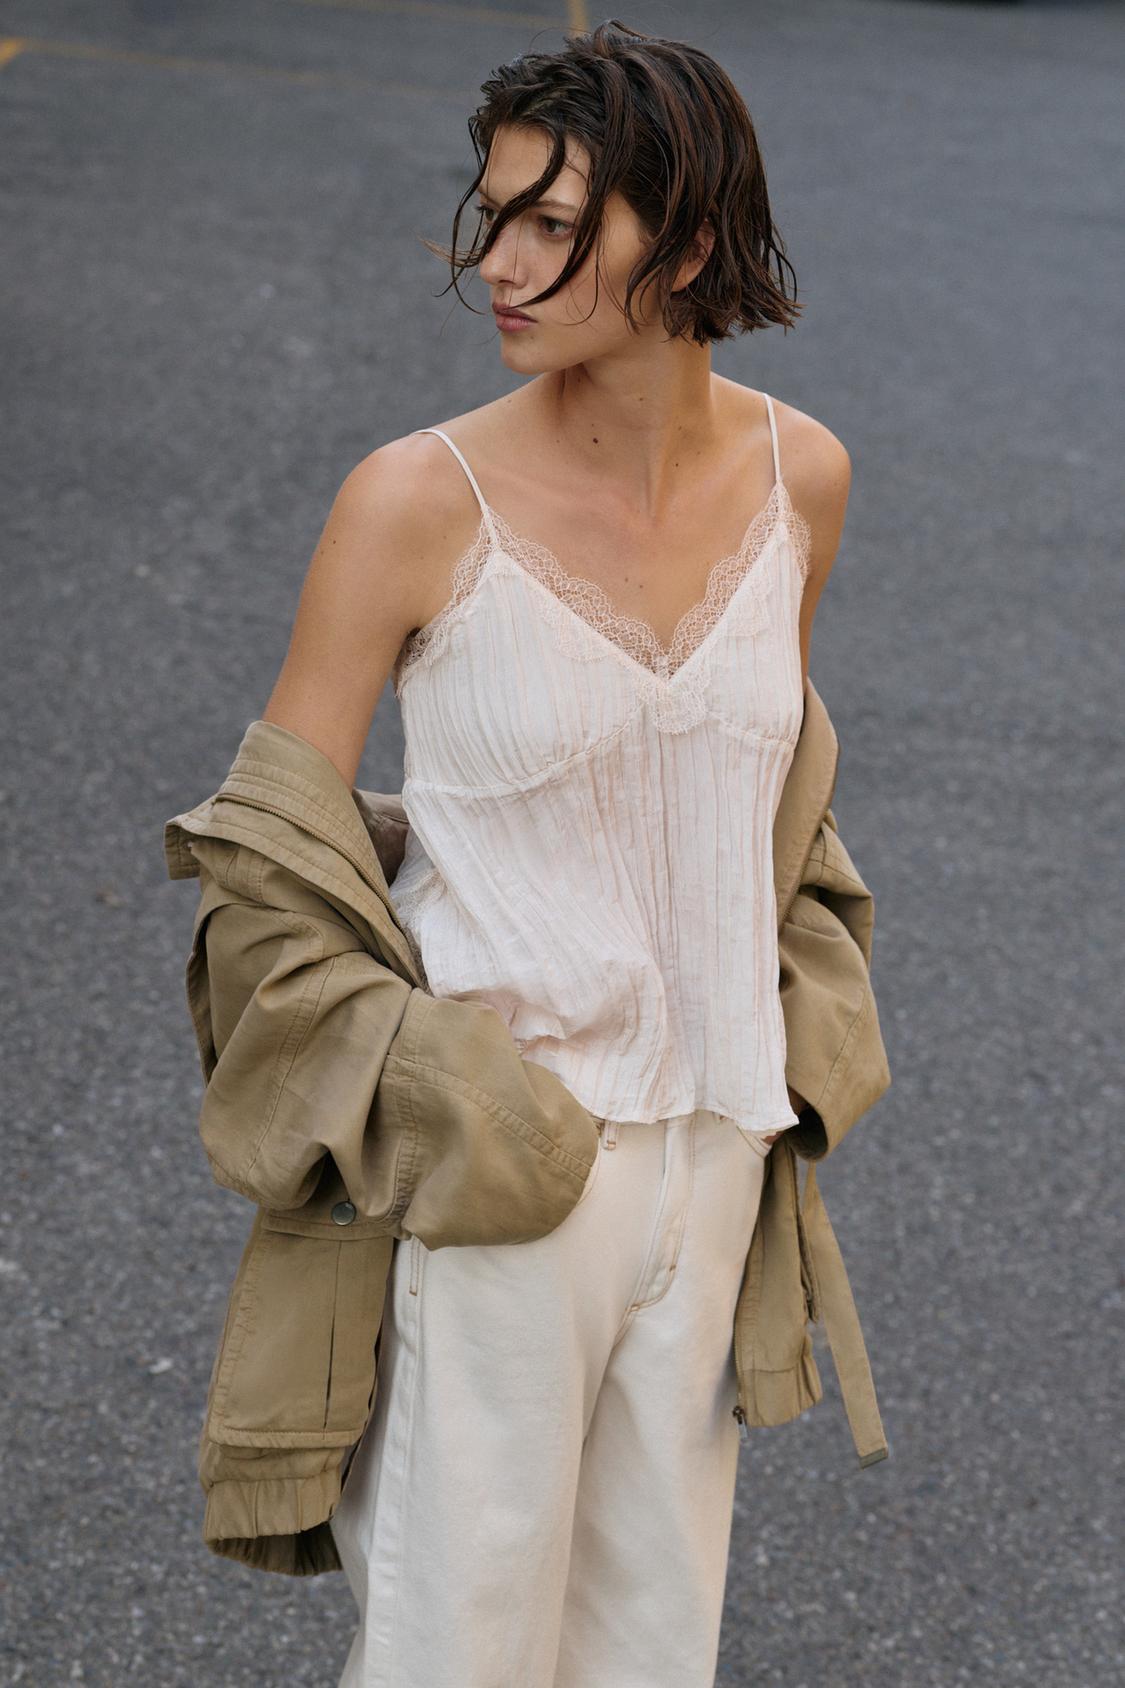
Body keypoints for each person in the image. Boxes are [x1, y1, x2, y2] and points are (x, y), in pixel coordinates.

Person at [259, 20, 857, 1687]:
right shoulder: (412, 499)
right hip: (504, 1163)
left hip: (717, 1151)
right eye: (494, 213)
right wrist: (415, 1078)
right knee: (454, 1650)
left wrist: (798, 1032)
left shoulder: (798, 478)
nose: (495, 262)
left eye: (548, 223)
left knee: (653, 1649)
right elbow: (272, 850)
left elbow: (765, 801)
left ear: (681, 237)